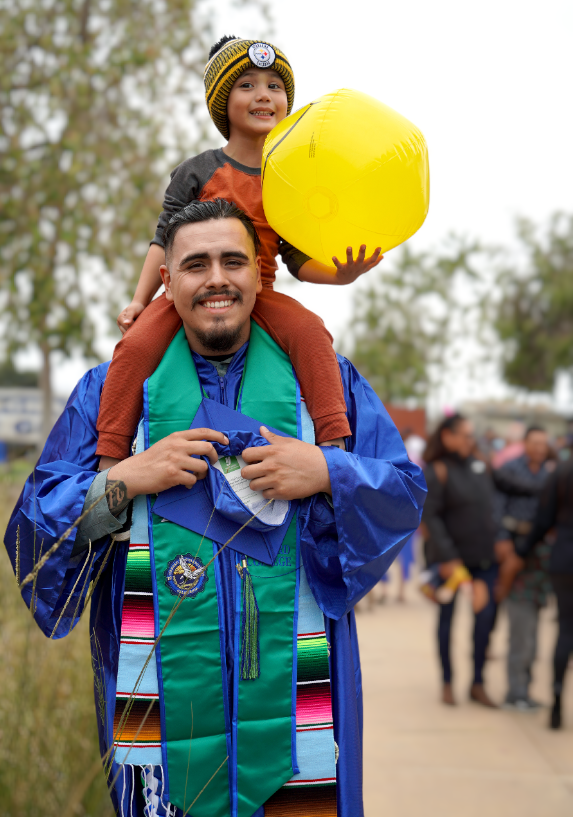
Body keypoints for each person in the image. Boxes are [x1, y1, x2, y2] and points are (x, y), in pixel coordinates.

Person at [5, 200, 426, 817]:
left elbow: (404, 491)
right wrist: (123, 480)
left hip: (296, 705)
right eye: (195, 265)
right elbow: (32, 527)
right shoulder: (113, 396)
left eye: (233, 260)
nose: (216, 279)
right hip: (159, 722)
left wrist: (326, 470)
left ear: (259, 274)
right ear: (166, 283)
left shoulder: (323, 386)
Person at [96, 35, 383, 464]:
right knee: (135, 348)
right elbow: (163, 240)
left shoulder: (292, 181)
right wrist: (141, 302)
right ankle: (109, 459)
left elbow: (297, 259)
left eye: (274, 86)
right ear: (221, 103)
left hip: (257, 293)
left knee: (311, 332)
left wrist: (341, 274)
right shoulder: (198, 171)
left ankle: (333, 449)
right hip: (189, 295)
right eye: (246, 85)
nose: (263, 95)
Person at [421, 414, 498, 708]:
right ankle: (447, 682)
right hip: (451, 563)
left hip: (483, 561)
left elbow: (493, 505)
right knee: (447, 622)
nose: (470, 439)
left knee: (485, 620)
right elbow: (431, 518)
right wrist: (450, 558)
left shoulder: (480, 466)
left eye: (471, 434)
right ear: (448, 437)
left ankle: (478, 682)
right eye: (465, 435)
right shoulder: (437, 470)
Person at [494, 426, 553, 711]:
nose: (540, 448)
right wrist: (503, 541)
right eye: (535, 442)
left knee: (534, 628)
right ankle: (515, 692)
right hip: (514, 554)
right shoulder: (509, 471)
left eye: (544, 443)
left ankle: (524, 689)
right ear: (525, 444)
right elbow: (496, 509)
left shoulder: (552, 473)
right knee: (520, 627)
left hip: (542, 559)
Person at [518, 459, 573, 729]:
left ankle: (557, 699)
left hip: (564, 558)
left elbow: (544, 518)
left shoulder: (562, 472)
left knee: (565, 631)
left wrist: (523, 550)